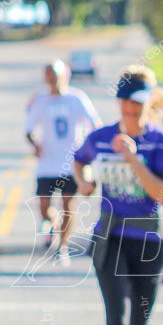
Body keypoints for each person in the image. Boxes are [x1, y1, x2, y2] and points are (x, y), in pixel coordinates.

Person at [72, 66, 163, 325]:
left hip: (147, 242)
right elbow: (80, 159)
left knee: (139, 323)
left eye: (139, 103)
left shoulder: (160, 141)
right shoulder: (100, 138)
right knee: (115, 317)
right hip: (110, 239)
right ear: (118, 102)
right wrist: (84, 185)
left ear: (148, 103)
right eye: (127, 102)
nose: (132, 109)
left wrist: (133, 158)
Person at [25, 60, 102, 264]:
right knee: (43, 206)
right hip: (47, 163)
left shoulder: (76, 99)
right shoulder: (40, 101)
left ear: (65, 76)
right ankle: (52, 224)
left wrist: (86, 150)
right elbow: (29, 129)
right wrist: (35, 144)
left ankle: (63, 245)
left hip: (70, 164)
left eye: (56, 75)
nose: (52, 80)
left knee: (69, 205)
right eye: (49, 75)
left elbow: (95, 124)